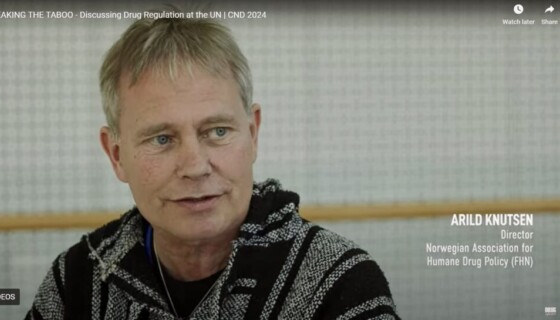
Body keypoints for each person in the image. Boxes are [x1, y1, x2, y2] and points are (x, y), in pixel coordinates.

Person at [26, 9, 400, 320]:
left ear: (253, 134)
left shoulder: (339, 285)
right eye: (162, 139)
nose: (195, 166)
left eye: (217, 131)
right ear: (117, 155)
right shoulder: (75, 281)